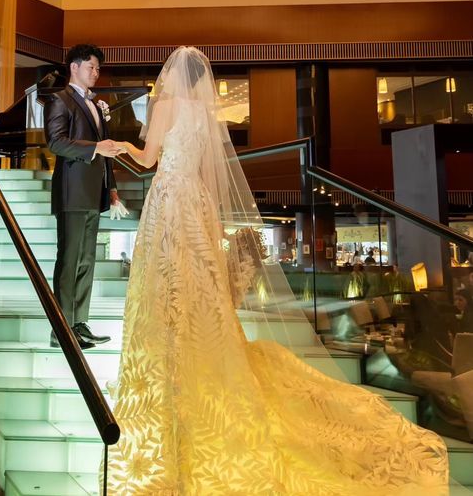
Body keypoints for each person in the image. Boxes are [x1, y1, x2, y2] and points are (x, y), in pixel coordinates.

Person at [104, 47, 448, 494]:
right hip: (197, 203)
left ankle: (172, 365)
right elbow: (208, 170)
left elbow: (149, 158)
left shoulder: (165, 104)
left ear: (171, 78)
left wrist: (120, 146)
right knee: (199, 284)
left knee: (167, 280)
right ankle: (198, 357)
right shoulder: (205, 114)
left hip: (170, 199)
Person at [44, 44, 124, 349]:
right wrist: (95, 148)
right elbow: (56, 142)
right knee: (69, 260)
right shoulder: (59, 100)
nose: (96, 73)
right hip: (72, 191)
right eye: (91, 67)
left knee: (87, 260)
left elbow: (106, 150)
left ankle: (79, 324)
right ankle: (61, 330)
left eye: (98, 68)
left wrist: (111, 187)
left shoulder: (96, 104)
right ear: (74, 67)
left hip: (93, 192)